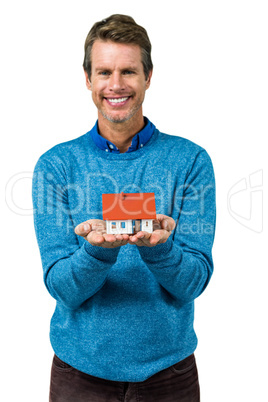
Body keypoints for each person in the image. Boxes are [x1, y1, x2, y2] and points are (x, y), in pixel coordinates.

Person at [32, 14, 216, 402]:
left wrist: (161, 249)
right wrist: (97, 251)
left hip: (170, 372)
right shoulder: (56, 166)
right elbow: (62, 288)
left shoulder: (191, 161)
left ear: (148, 76)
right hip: (79, 372)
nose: (116, 85)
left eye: (128, 71)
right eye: (104, 72)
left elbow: (193, 283)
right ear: (88, 79)